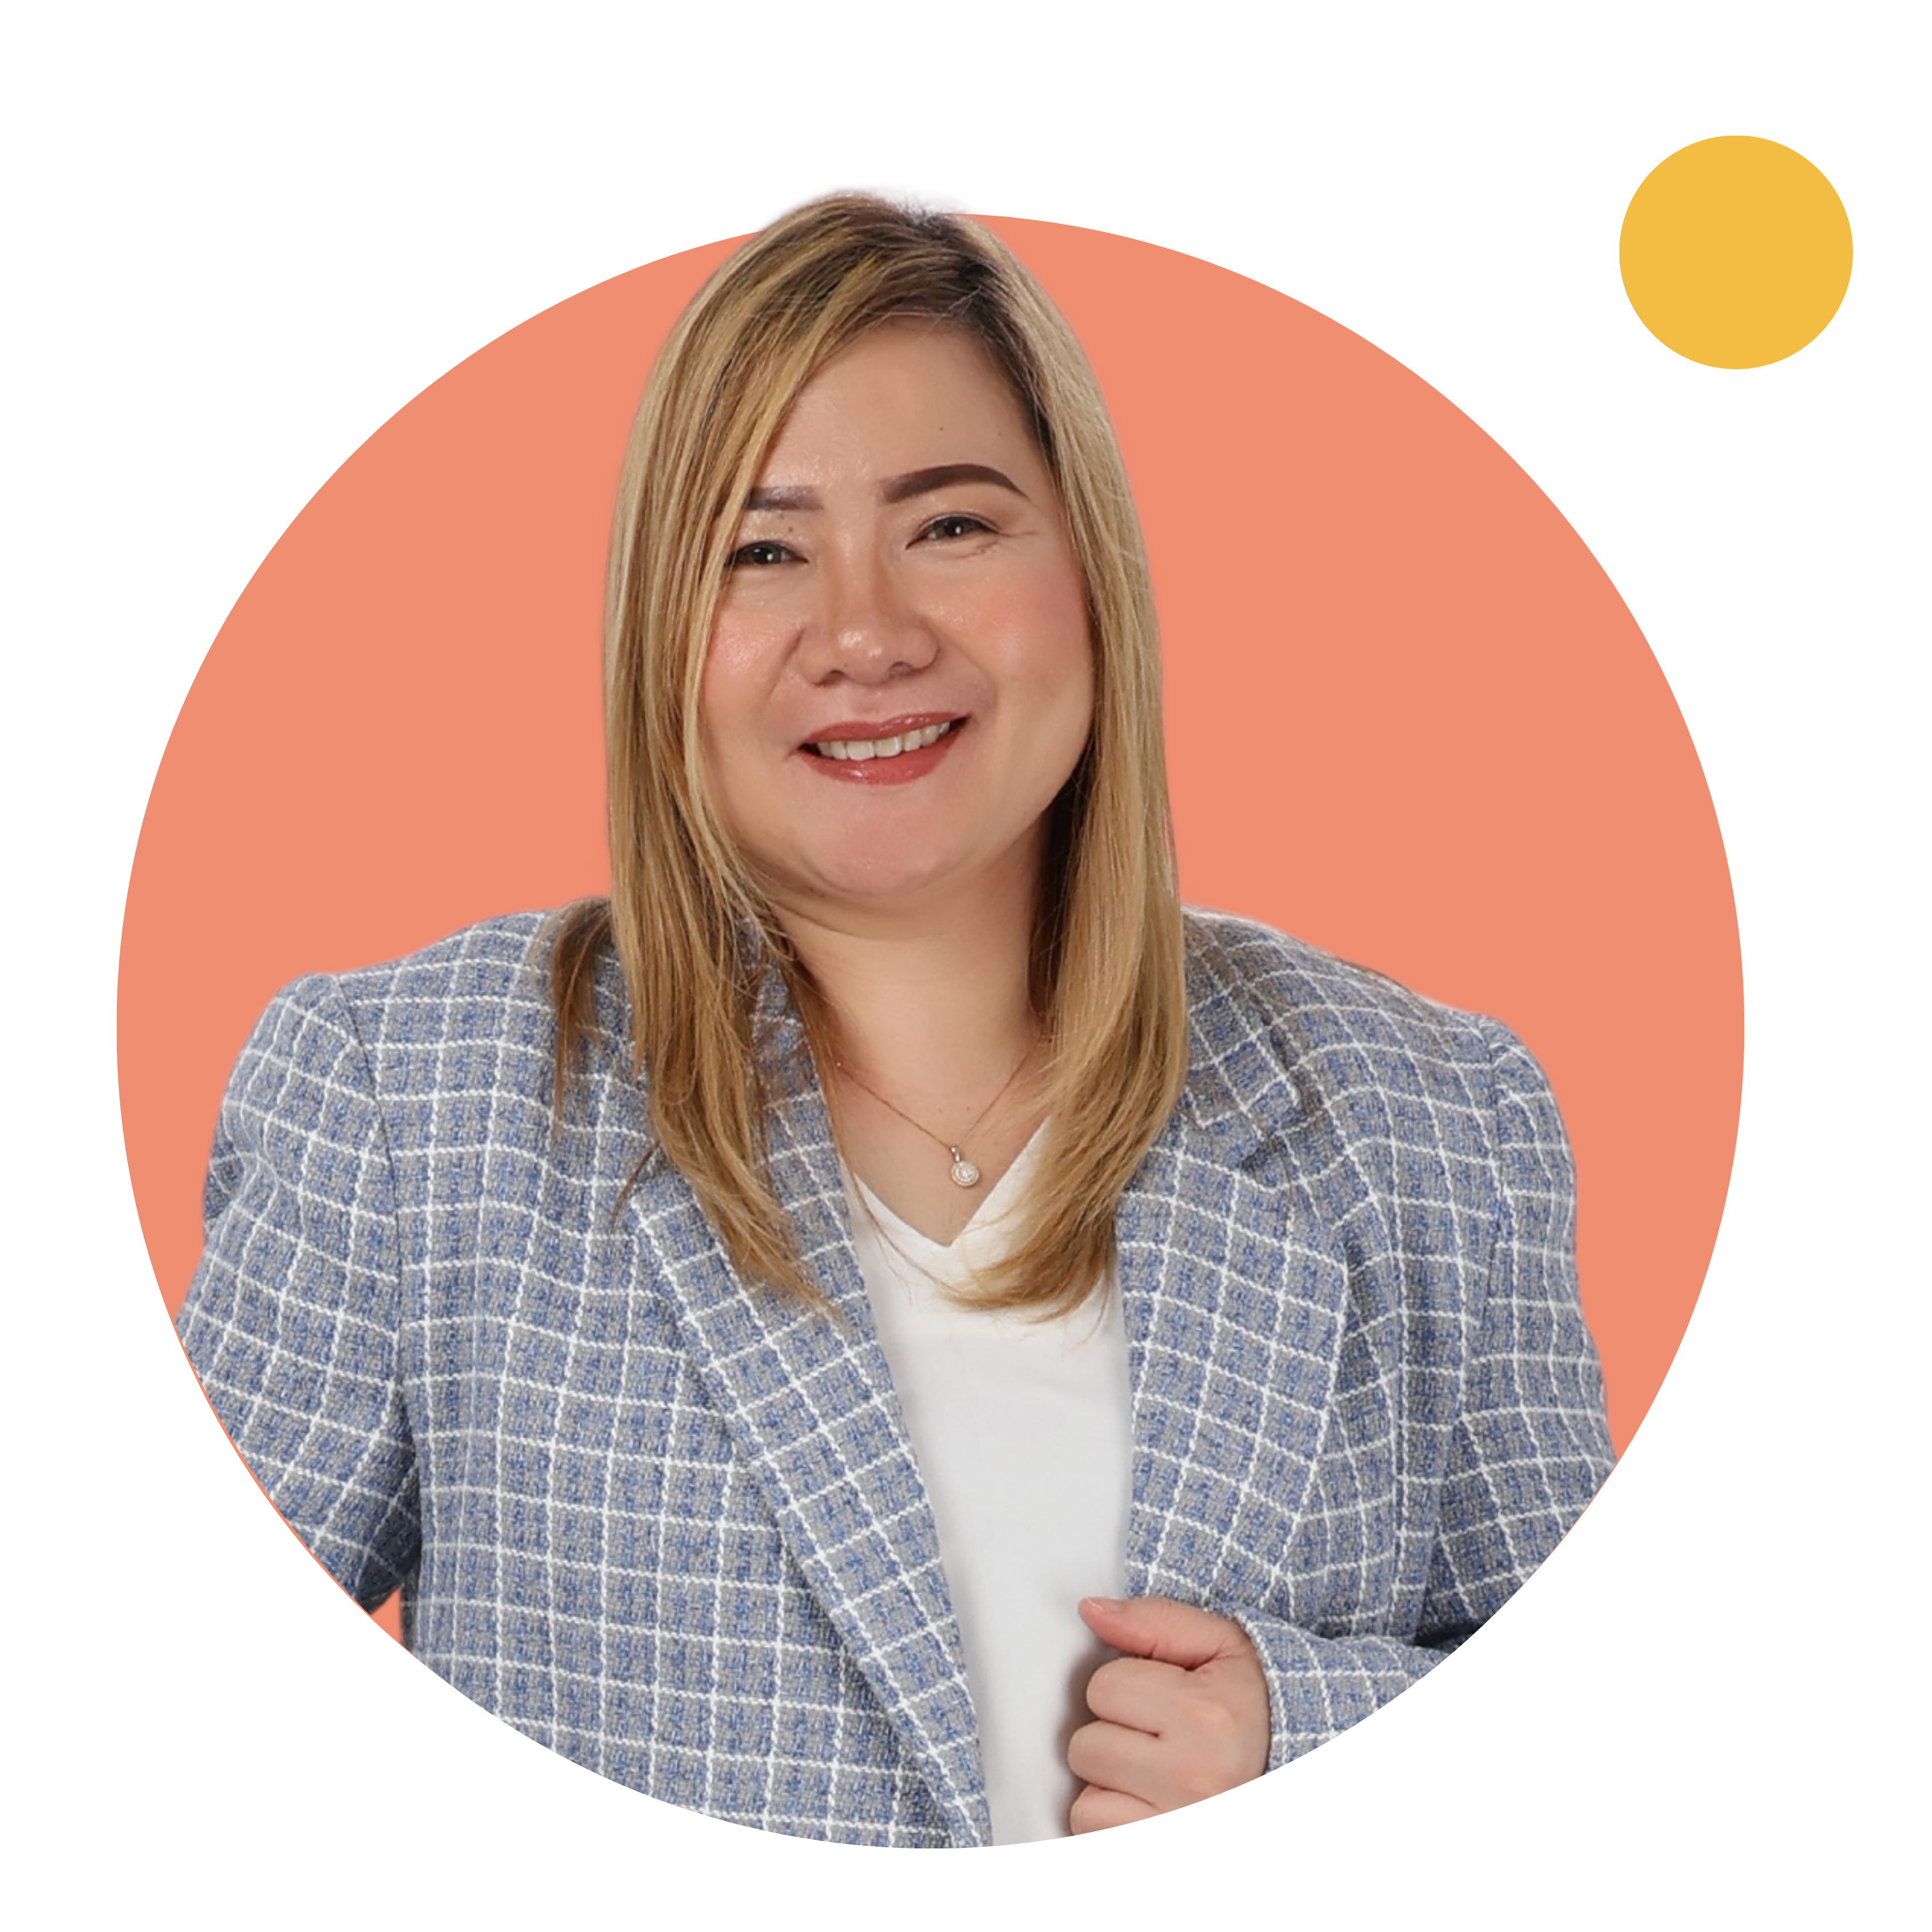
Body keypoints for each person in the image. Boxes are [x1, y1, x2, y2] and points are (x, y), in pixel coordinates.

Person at [176, 194, 1613, 1850]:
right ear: (663, 636)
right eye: (761, 549)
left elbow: (1616, 1774)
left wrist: (1306, 1741)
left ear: (1088, 572)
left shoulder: (1432, 1120)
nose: (862, 633)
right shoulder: (407, 1104)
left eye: (949, 526)